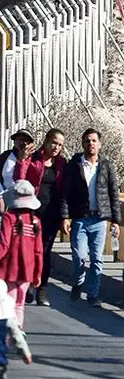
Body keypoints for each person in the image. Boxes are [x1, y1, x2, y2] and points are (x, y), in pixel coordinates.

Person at [60, 128, 119, 307]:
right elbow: (65, 193)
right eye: (87, 141)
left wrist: (115, 221)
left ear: (99, 144)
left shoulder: (106, 166)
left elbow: (113, 194)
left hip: (99, 219)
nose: (90, 144)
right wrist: (65, 217)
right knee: (78, 256)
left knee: (97, 259)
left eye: (94, 140)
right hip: (80, 218)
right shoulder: (74, 165)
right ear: (83, 144)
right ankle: (78, 282)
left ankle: (93, 294)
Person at [13, 128, 66, 307]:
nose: (56, 147)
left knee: (45, 252)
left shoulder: (61, 164)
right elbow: (19, 180)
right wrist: (21, 161)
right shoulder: (33, 159)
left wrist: (64, 216)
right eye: (54, 142)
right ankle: (27, 284)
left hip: (51, 215)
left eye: (60, 144)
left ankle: (42, 289)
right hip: (32, 213)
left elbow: (65, 191)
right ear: (46, 141)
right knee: (28, 251)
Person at [0, 180, 43, 330]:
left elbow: (4, 244)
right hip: (27, 269)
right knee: (20, 304)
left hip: (9, 268)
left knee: (9, 303)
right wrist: (38, 273)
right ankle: (19, 330)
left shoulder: (9, 218)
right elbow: (38, 251)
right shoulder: (35, 222)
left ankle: (12, 335)